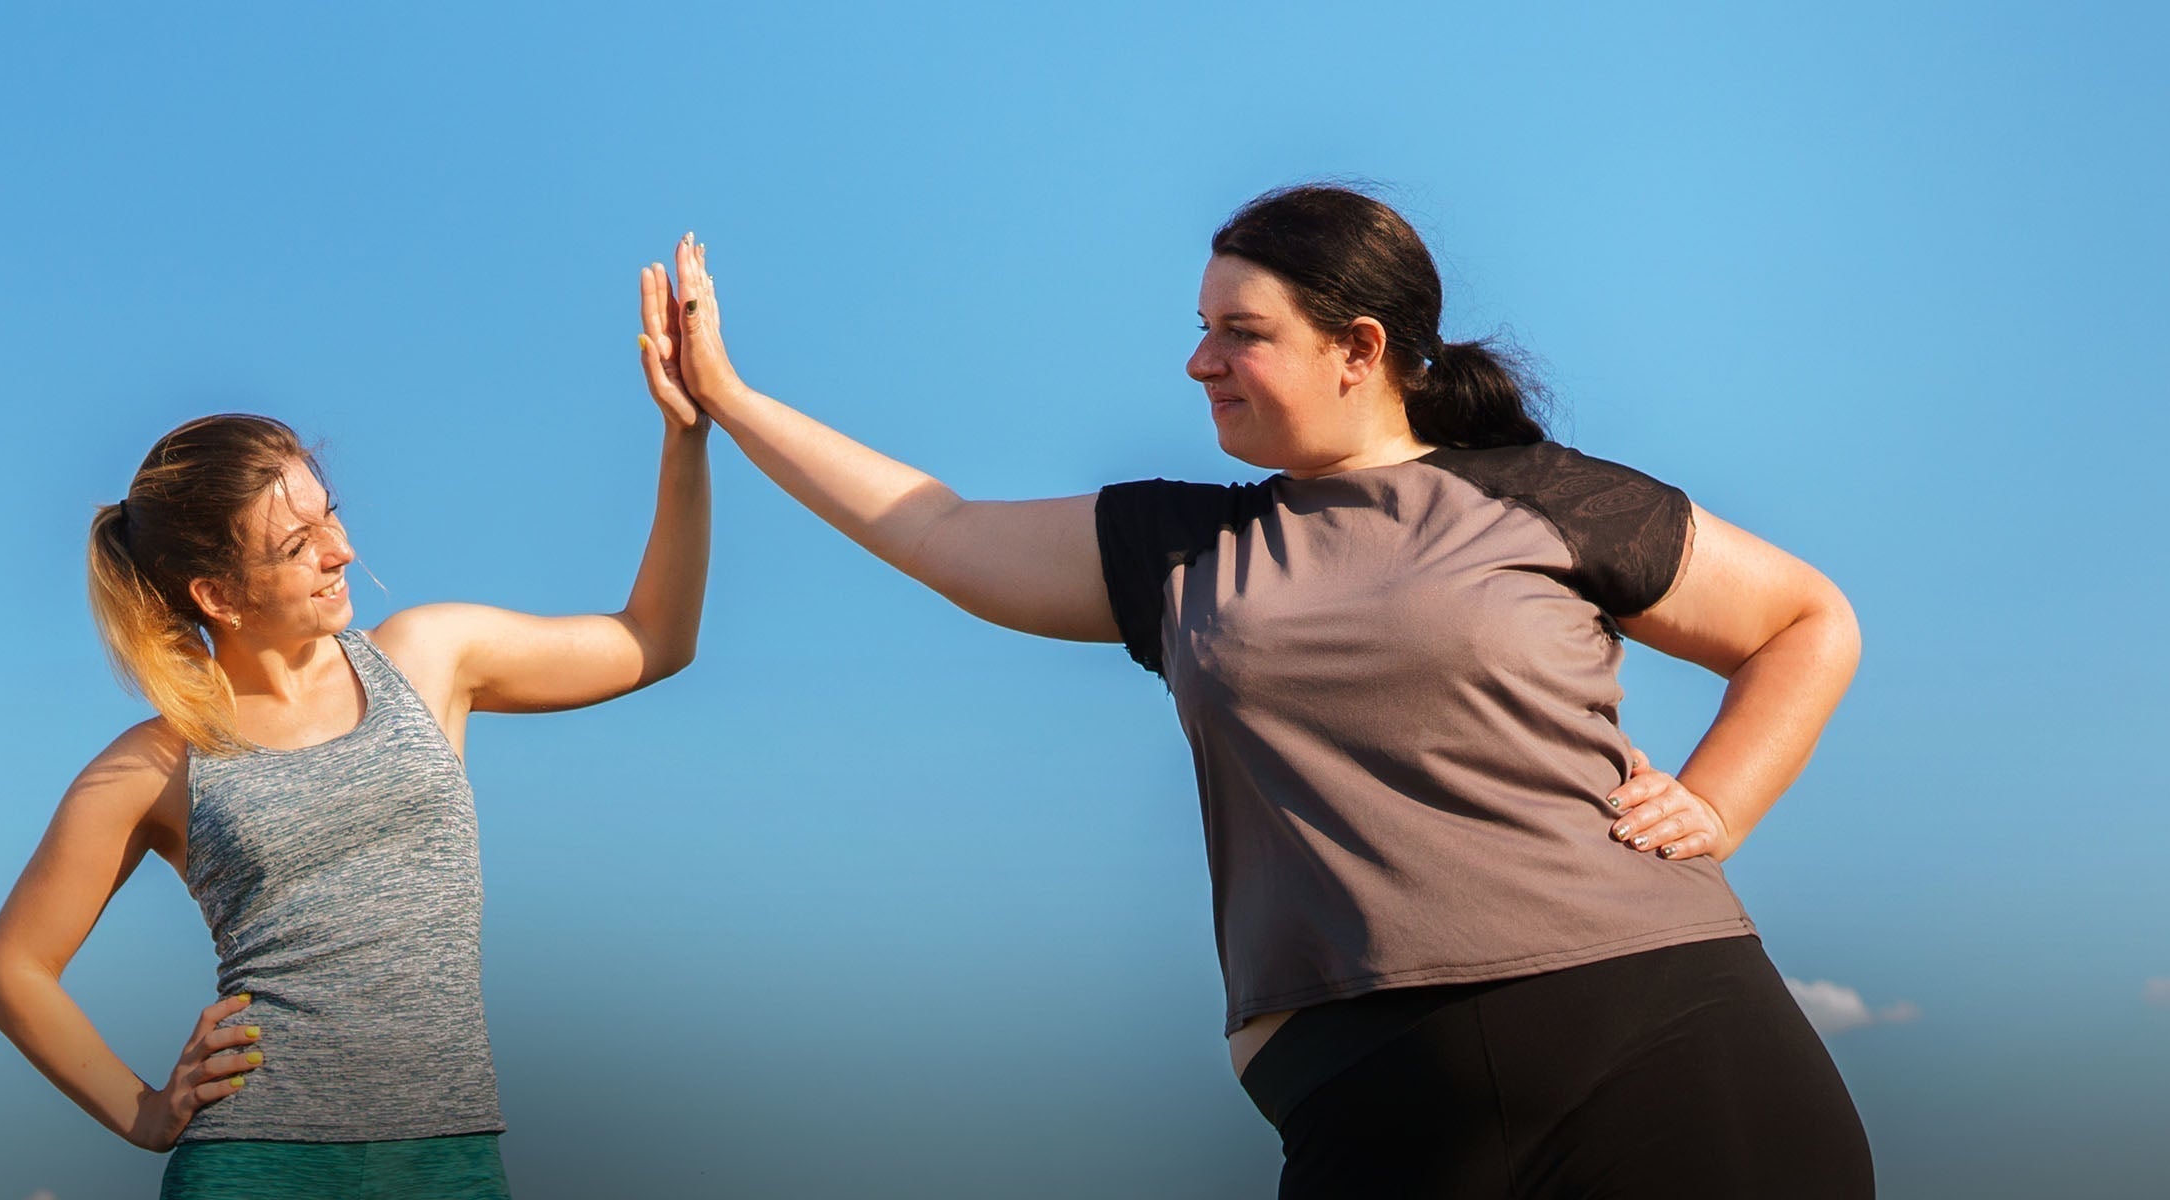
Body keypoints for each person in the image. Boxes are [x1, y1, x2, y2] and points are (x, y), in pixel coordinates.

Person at [659, 187, 1873, 1197]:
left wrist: (1716, 804)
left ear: (1358, 349)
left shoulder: (1544, 496)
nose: (1199, 361)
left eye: (1239, 331)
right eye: (1197, 328)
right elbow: (941, 528)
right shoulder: (1182, 548)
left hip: (1661, 1035)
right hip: (1365, 1098)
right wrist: (729, 397)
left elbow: (1802, 621)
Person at [0, 267, 716, 1199]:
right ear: (217, 595)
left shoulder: (430, 657)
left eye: (332, 518)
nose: (342, 552)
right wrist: (146, 1113)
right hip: (254, 1164)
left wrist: (686, 438)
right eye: (298, 547)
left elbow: (656, 639)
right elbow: (13, 969)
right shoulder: (156, 761)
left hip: (446, 1156)